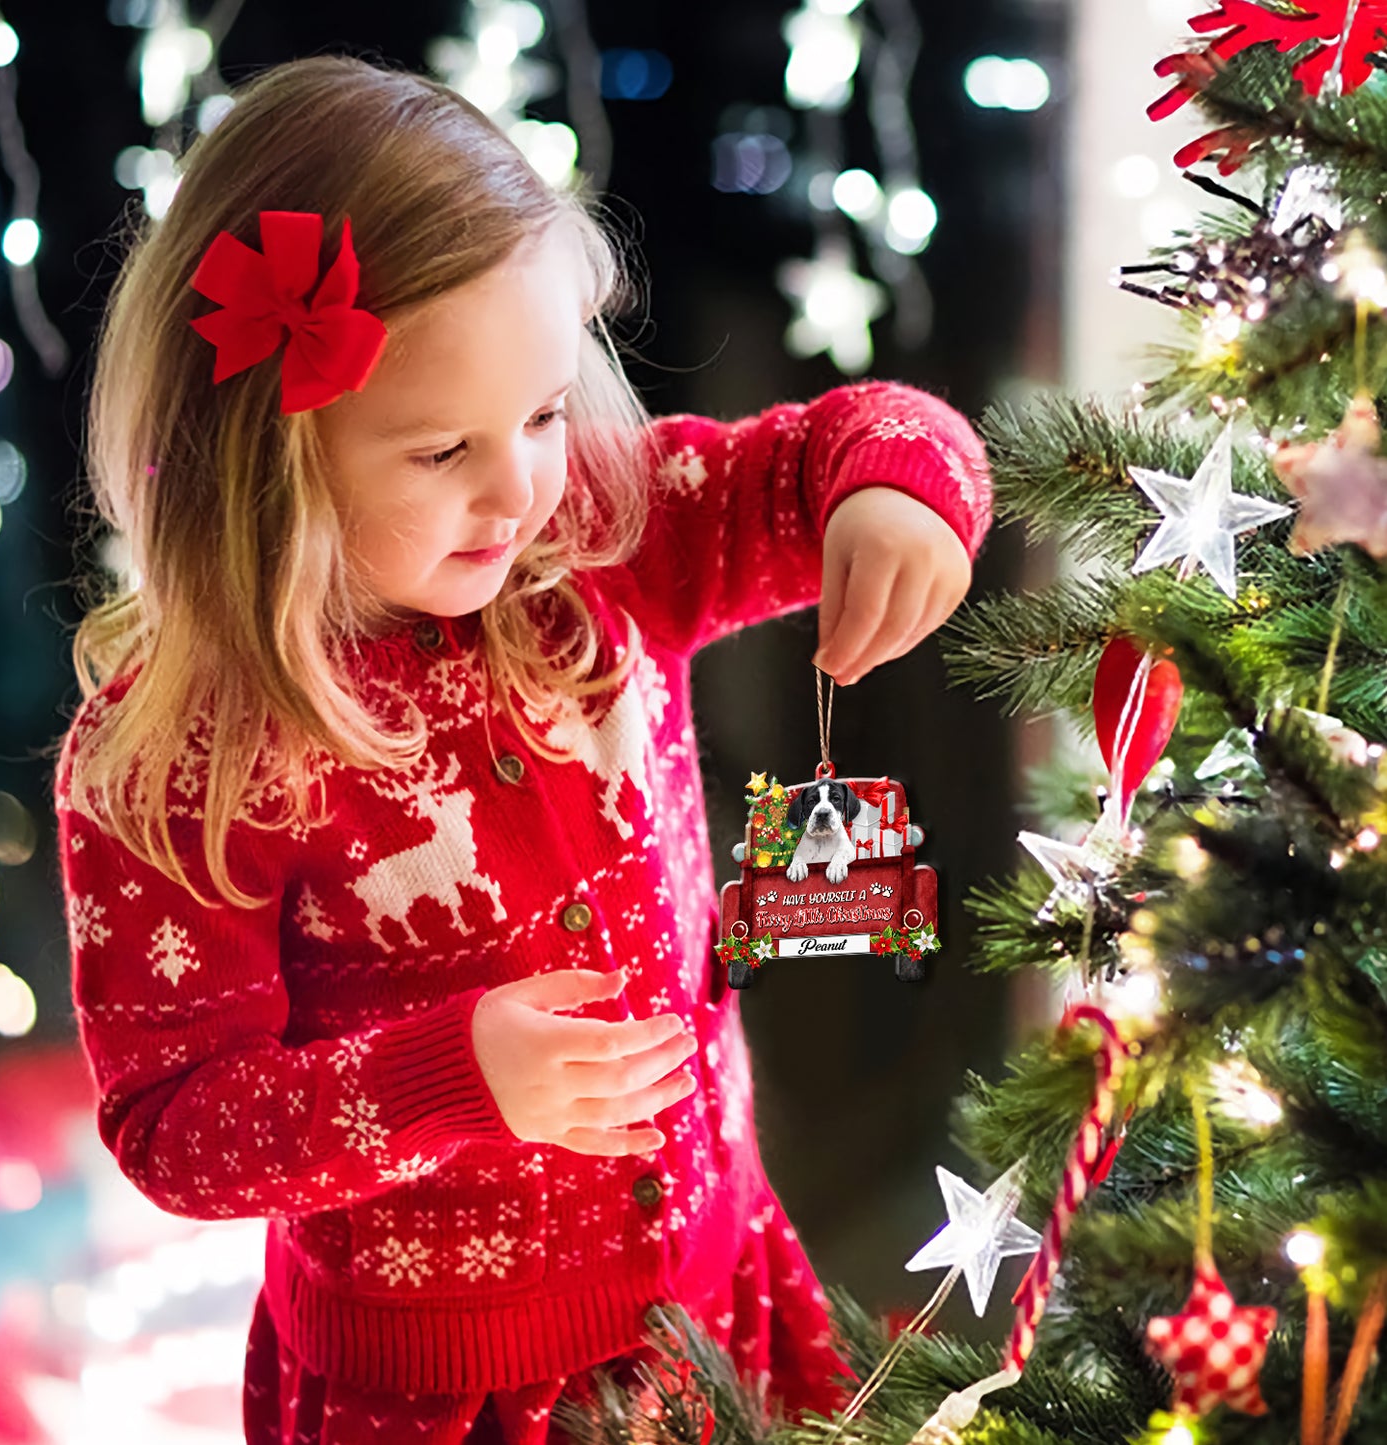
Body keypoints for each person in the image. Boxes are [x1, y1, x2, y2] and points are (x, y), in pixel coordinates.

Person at [52, 54, 993, 1445]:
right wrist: (450, 1076)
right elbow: (175, 1127)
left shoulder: (602, 541)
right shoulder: (177, 753)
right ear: (263, 454)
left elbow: (843, 444)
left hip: (709, 1284)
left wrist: (898, 496)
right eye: (441, 452)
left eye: (546, 412)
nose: (519, 487)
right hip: (444, 1388)